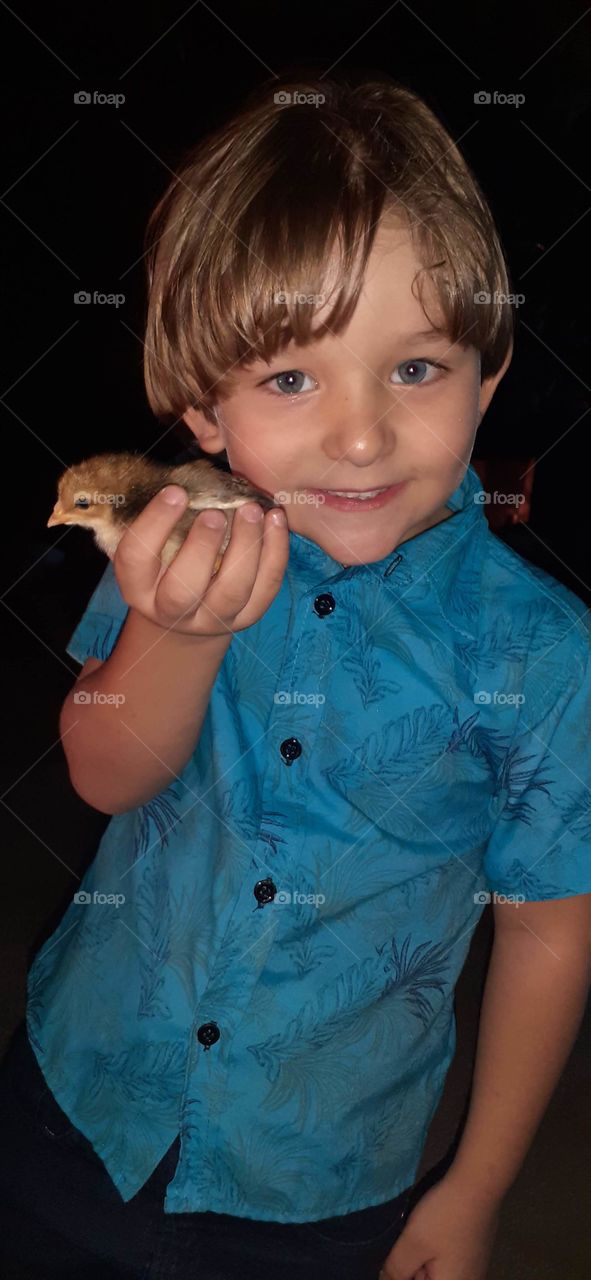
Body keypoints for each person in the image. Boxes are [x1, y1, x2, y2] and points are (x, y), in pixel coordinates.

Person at [2, 69, 590, 1280]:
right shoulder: (174, 534)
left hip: (321, 1177)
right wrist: (184, 627)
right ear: (205, 407)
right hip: (77, 1102)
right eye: (288, 378)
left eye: (416, 368)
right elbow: (104, 771)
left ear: (490, 366)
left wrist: (474, 1191)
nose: (362, 433)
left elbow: (547, 934)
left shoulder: (547, 657)